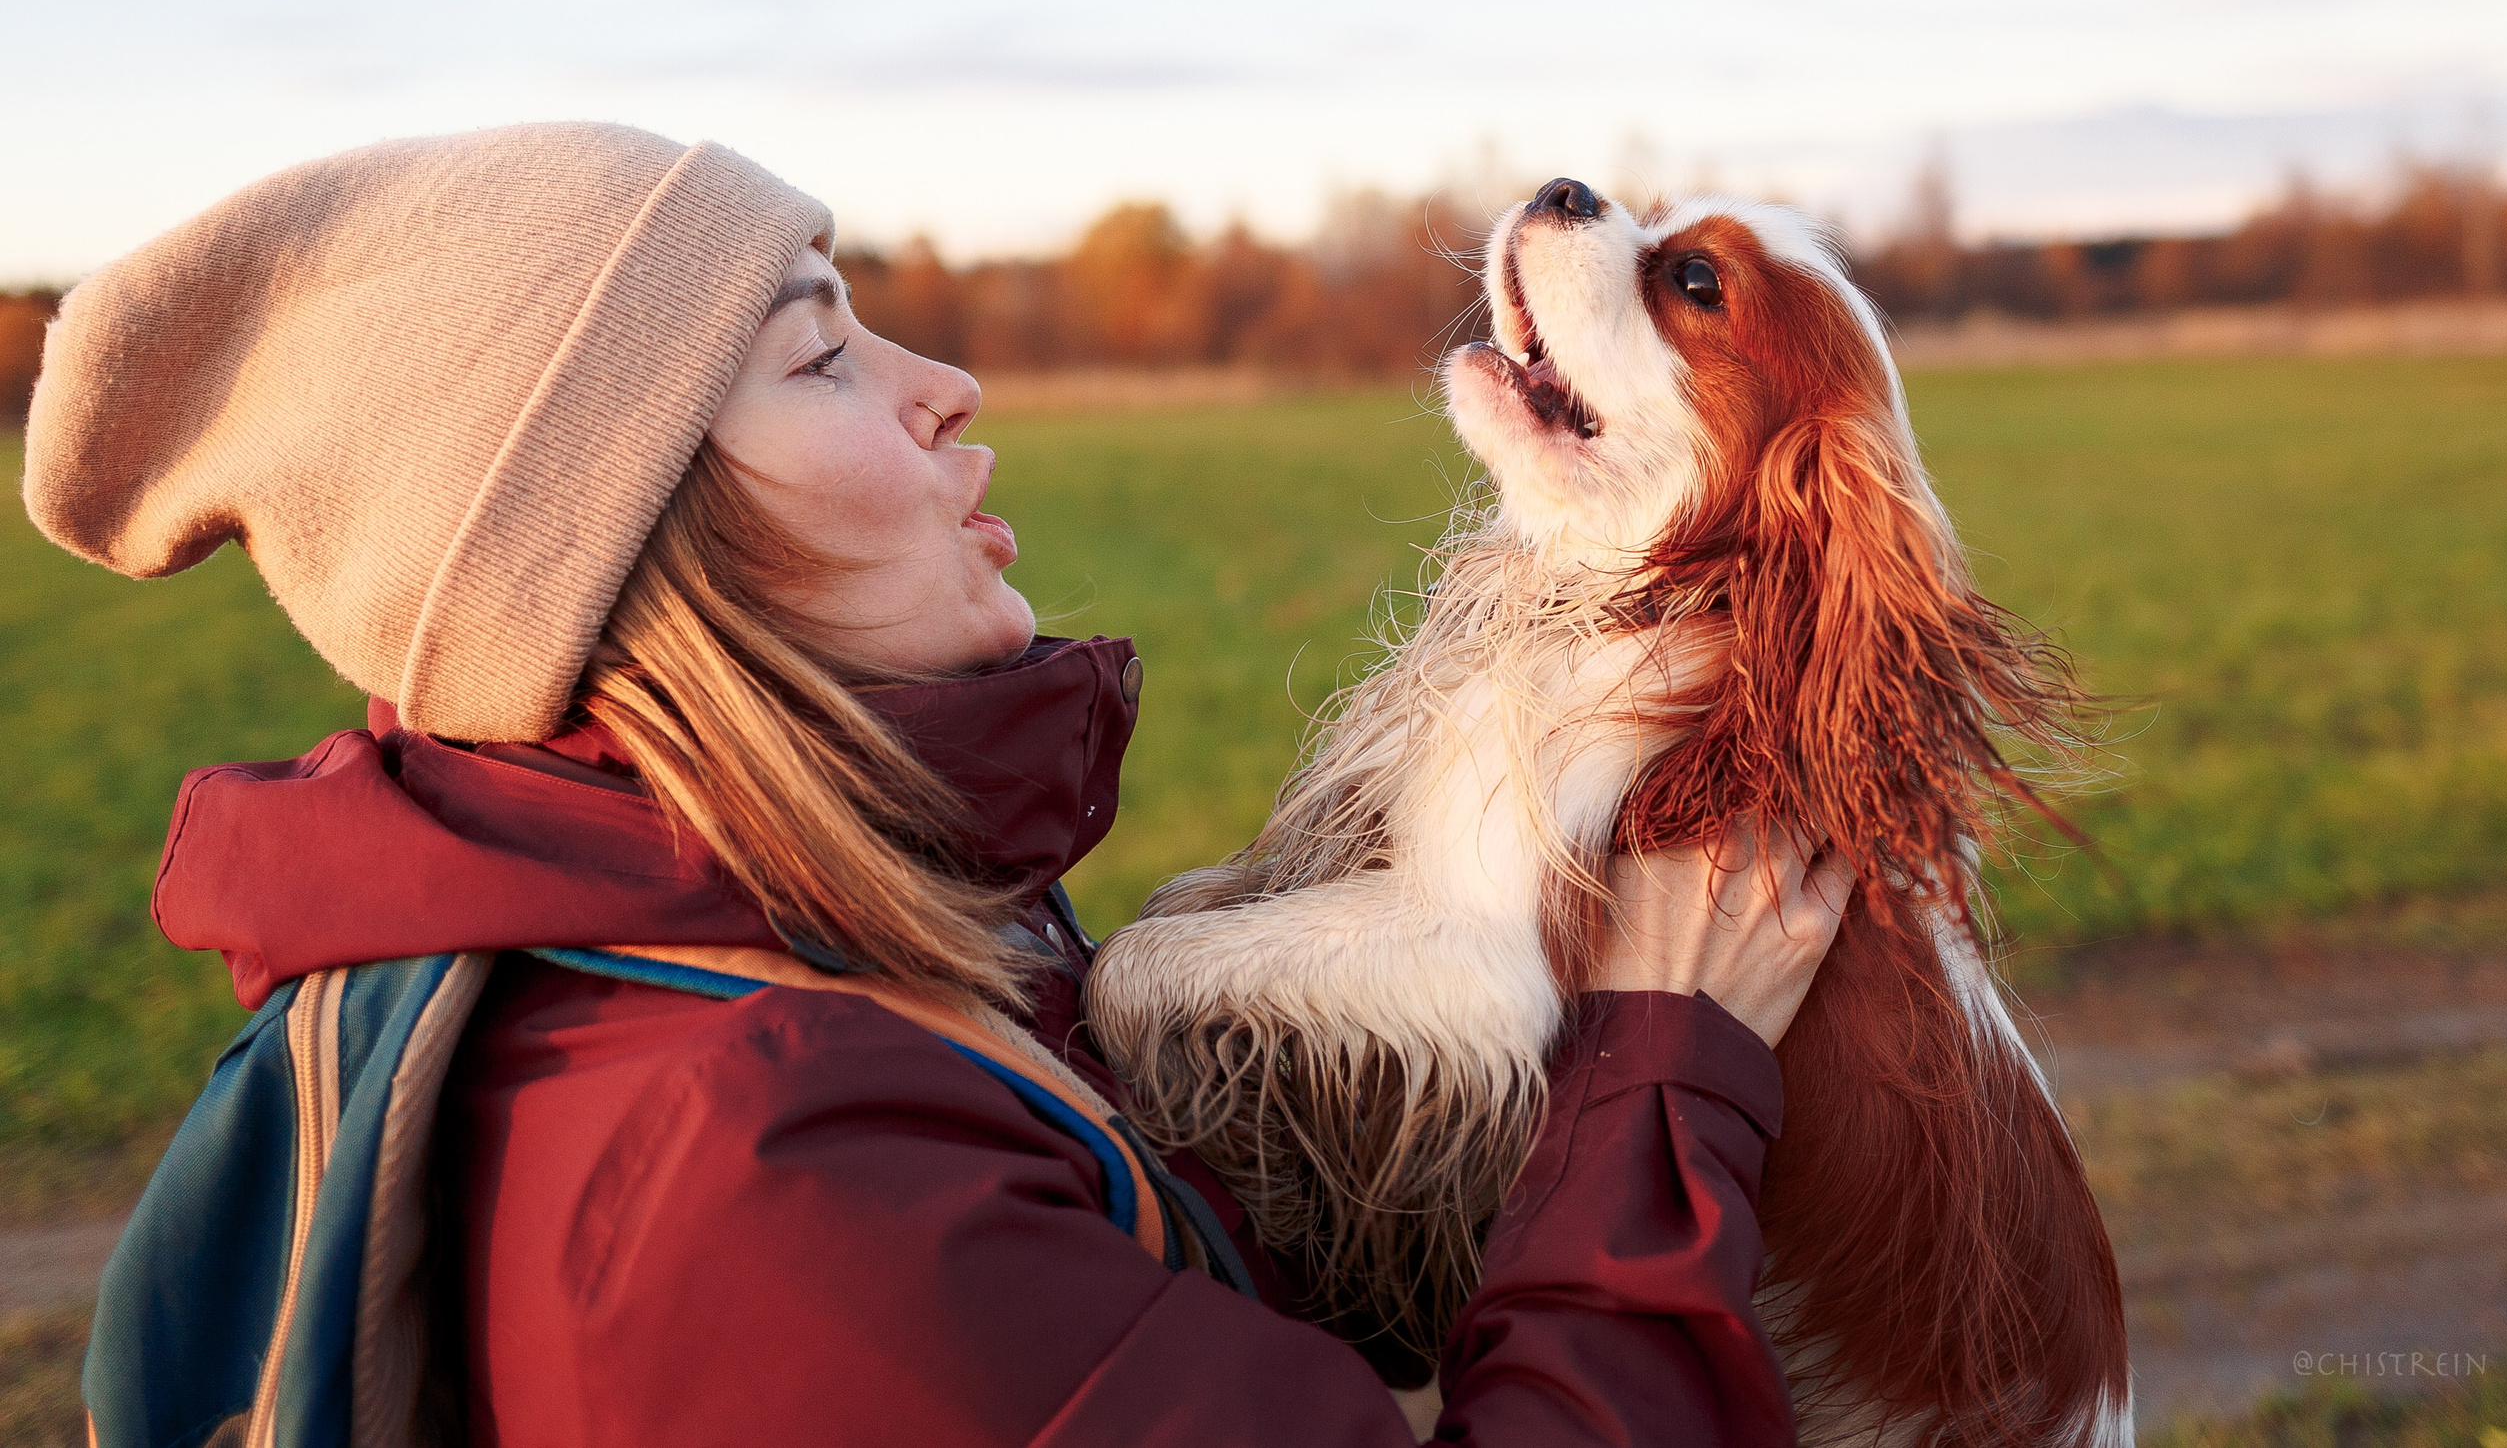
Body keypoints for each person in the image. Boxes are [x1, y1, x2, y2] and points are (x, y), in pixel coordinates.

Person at [24, 123, 1849, 1445]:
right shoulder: (767, 1181)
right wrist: (1661, 1072)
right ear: (629, 556)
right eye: (822, 354)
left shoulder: (826, 910)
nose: (948, 384)